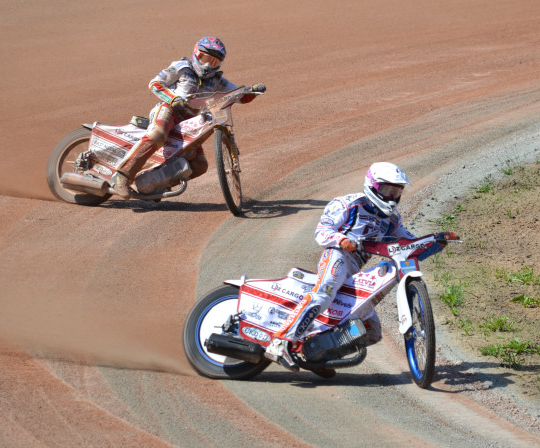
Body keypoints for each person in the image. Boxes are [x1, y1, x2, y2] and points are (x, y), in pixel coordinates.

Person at [264, 162, 459, 371]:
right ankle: (280, 341)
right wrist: (341, 240)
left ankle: (317, 355)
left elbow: (409, 246)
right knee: (324, 293)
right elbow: (321, 231)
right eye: (387, 190)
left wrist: (437, 241)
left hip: (356, 270)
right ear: (372, 186)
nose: (392, 197)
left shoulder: (393, 219)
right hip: (337, 255)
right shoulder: (347, 204)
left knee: (372, 331)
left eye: (396, 191)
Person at [110, 36, 266, 198]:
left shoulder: (217, 80)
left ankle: (156, 185)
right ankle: (122, 175)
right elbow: (155, 84)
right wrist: (173, 99)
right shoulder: (182, 67)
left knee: (200, 165)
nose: (208, 65)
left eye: (214, 62)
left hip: (190, 122)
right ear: (197, 54)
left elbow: (236, 95)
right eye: (206, 59)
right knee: (158, 135)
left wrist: (250, 91)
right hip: (169, 110)